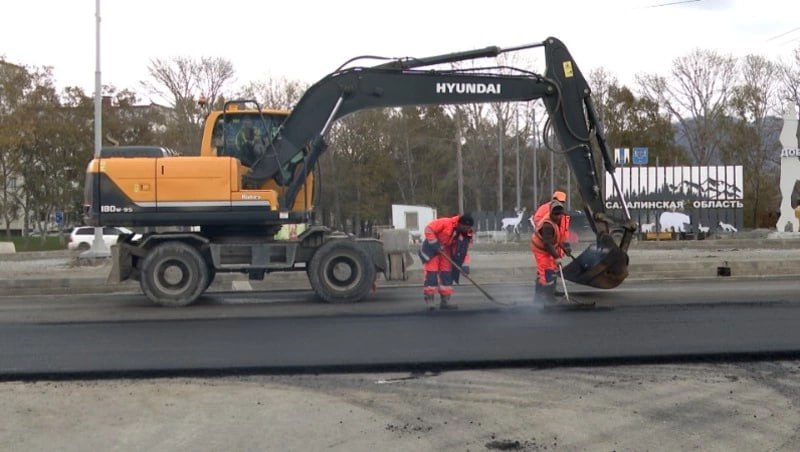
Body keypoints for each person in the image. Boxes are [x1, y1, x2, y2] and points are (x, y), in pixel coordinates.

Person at [418, 214, 475, 310]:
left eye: (469, 228)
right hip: (432, 250)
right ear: (460, 224)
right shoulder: (445, 222)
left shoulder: (467, 234)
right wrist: (434, 243)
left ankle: (445, 301)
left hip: (447, 251)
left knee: (447, 275)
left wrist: (465, 265)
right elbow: (428, 229)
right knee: (431, 274)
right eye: (465, 227)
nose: (467, 229)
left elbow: (464, 250)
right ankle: (430, 299)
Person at [530, 200, 572, 304]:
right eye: (555, 214)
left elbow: (557, 238)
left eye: (559, 214)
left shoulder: (559, 220)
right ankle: (545, 299)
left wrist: (564, 248)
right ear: (550, 213)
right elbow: (547, 244)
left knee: (551, 271)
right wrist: (557, 257)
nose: (558, 216)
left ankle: (544, 297)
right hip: (540, 248)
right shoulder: (547, 225)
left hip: (548, 246)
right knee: (546, 273)